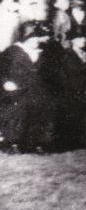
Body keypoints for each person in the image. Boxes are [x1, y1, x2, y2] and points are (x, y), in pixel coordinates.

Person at [0, 22, 55, 152]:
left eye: (37, 38)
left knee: (42, 104)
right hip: (15, 90)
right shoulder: (11, 52)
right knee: (19, 107)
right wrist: (5, 82)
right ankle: (13, 142)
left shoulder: (39, 53)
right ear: (25, 38)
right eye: (33, 38)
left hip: (34, 89)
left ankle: (37, 142)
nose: (36, 41)